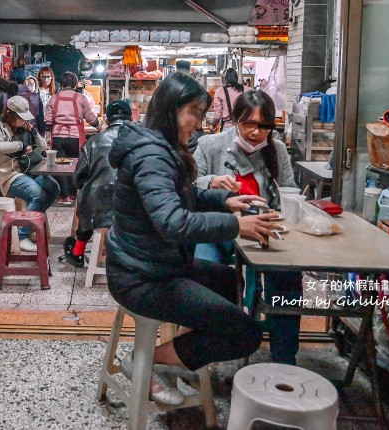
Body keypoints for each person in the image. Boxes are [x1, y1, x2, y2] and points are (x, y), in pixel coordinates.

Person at [106, 72, 277, 404]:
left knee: (228, 282)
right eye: (194, 113)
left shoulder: (162, 146)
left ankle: (179, 357)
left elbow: (182, 198)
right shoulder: (152, 156)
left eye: (201, 114)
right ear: (171, 109)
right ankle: (146, 360)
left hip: (158, 264)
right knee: (246, 333)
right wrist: (235, 226)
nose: (198, 123)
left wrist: (223, 202)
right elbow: (172, 222)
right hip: (141, 277)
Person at [193, 89, 303, 365]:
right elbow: (188, 186)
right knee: (207, 273)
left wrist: (281, 198)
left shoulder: (276, 150)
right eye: (248, 124)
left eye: (263, 126)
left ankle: (284, 357)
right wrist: (212, 182)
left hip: (264, 229)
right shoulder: (211, 145)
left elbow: (290, 189)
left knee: (287, 278)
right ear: (235, 120)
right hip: (221, 228)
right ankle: (218, 342)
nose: (256, 132)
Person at [62, 100, 132, 268]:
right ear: (130, 119)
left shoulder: (93, 142)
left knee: (88, 197)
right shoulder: (142, 141)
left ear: (107, 121)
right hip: (132, 206)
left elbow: (78, 178)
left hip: (96, 207)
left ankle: (78, 251)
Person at [0, 96, 60, 252]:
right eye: (20, 118)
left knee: (54, 188)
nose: (23, 121)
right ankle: (21, 236)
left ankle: (32, 220)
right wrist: (21, 144)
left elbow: (43, 148)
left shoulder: (25, 127)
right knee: (39, 195)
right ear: (10, 114)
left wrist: (33, 131)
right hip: (11, 174)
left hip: (32, 169)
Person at [45, 71, 100, 205]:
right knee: (76, 165)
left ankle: (65, 196)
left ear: (61, 85)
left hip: (58, 136)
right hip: (76, 137)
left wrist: (46, 136)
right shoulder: (81, 98)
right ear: (75, 84)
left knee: (60, 166)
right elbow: (90, 117)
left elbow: (47, 121)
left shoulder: (54, 98)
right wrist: (99, 127)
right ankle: (74, 194)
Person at [8, 67, 45, 134]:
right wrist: (42, 133)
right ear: (25, 81)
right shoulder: (34, 96)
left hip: (9, 131)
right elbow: (40, 118)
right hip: (27, 131)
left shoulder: (7, 94)